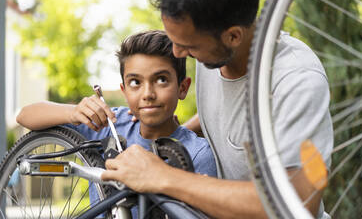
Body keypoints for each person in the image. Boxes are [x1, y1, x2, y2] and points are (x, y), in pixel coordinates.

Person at [101, 0, 334, 218]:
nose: (177, 53)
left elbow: (297, 202)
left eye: (188, 45)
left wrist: (163, 176)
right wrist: (173, 133)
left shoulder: (296, 81)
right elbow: (228, 112)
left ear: (233, 36)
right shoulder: (214, 53)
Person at [16, 30, 217, 218]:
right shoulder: (110, 123)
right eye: (135, 82)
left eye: (161, 80)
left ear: (182, 88)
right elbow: (25, 115)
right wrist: (73, 112)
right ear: (124, 90)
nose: (148, 94)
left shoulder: (197, 154)